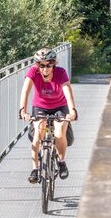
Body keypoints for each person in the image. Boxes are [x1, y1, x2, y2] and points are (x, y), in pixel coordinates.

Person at [18, 48, 77, 184]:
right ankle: (35, 169)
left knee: (59, 134)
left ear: (53, 64)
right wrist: (23, 111)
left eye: (49, 65)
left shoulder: (60, 73)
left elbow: (68, 92)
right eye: (41, 65)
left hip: (60, 107)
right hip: (40, 108)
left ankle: (61, 162)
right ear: (37, 65)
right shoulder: (33, 72)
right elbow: (25, 92)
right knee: (39, 135)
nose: (45, 69)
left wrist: (72, 111)